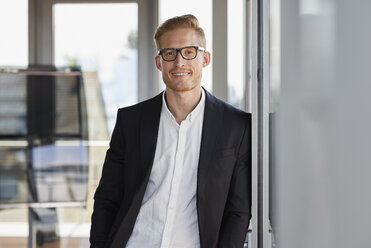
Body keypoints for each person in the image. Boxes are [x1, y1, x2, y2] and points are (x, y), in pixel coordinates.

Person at [90, 14, 251, 248]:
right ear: (159, 63)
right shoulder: (131, 121)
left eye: (189, 52)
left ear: (204, 59)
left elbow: (238, 210)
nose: (179, 62)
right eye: (170, 53)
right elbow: (107, 199)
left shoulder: (236, 125)